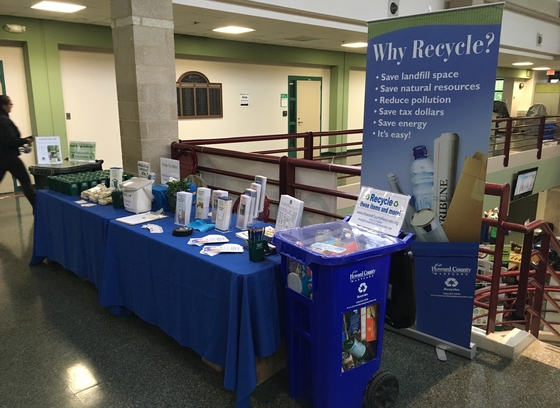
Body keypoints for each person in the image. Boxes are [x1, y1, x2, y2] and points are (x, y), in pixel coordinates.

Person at [0, 95, 36, 211]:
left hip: (2, 157)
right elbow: (10, 141)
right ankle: (37, 208)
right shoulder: (4, 121)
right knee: (26, 182)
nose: (11, 107)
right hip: (9, 158)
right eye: (10, 104)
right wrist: (26, 140)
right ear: (4, 105)